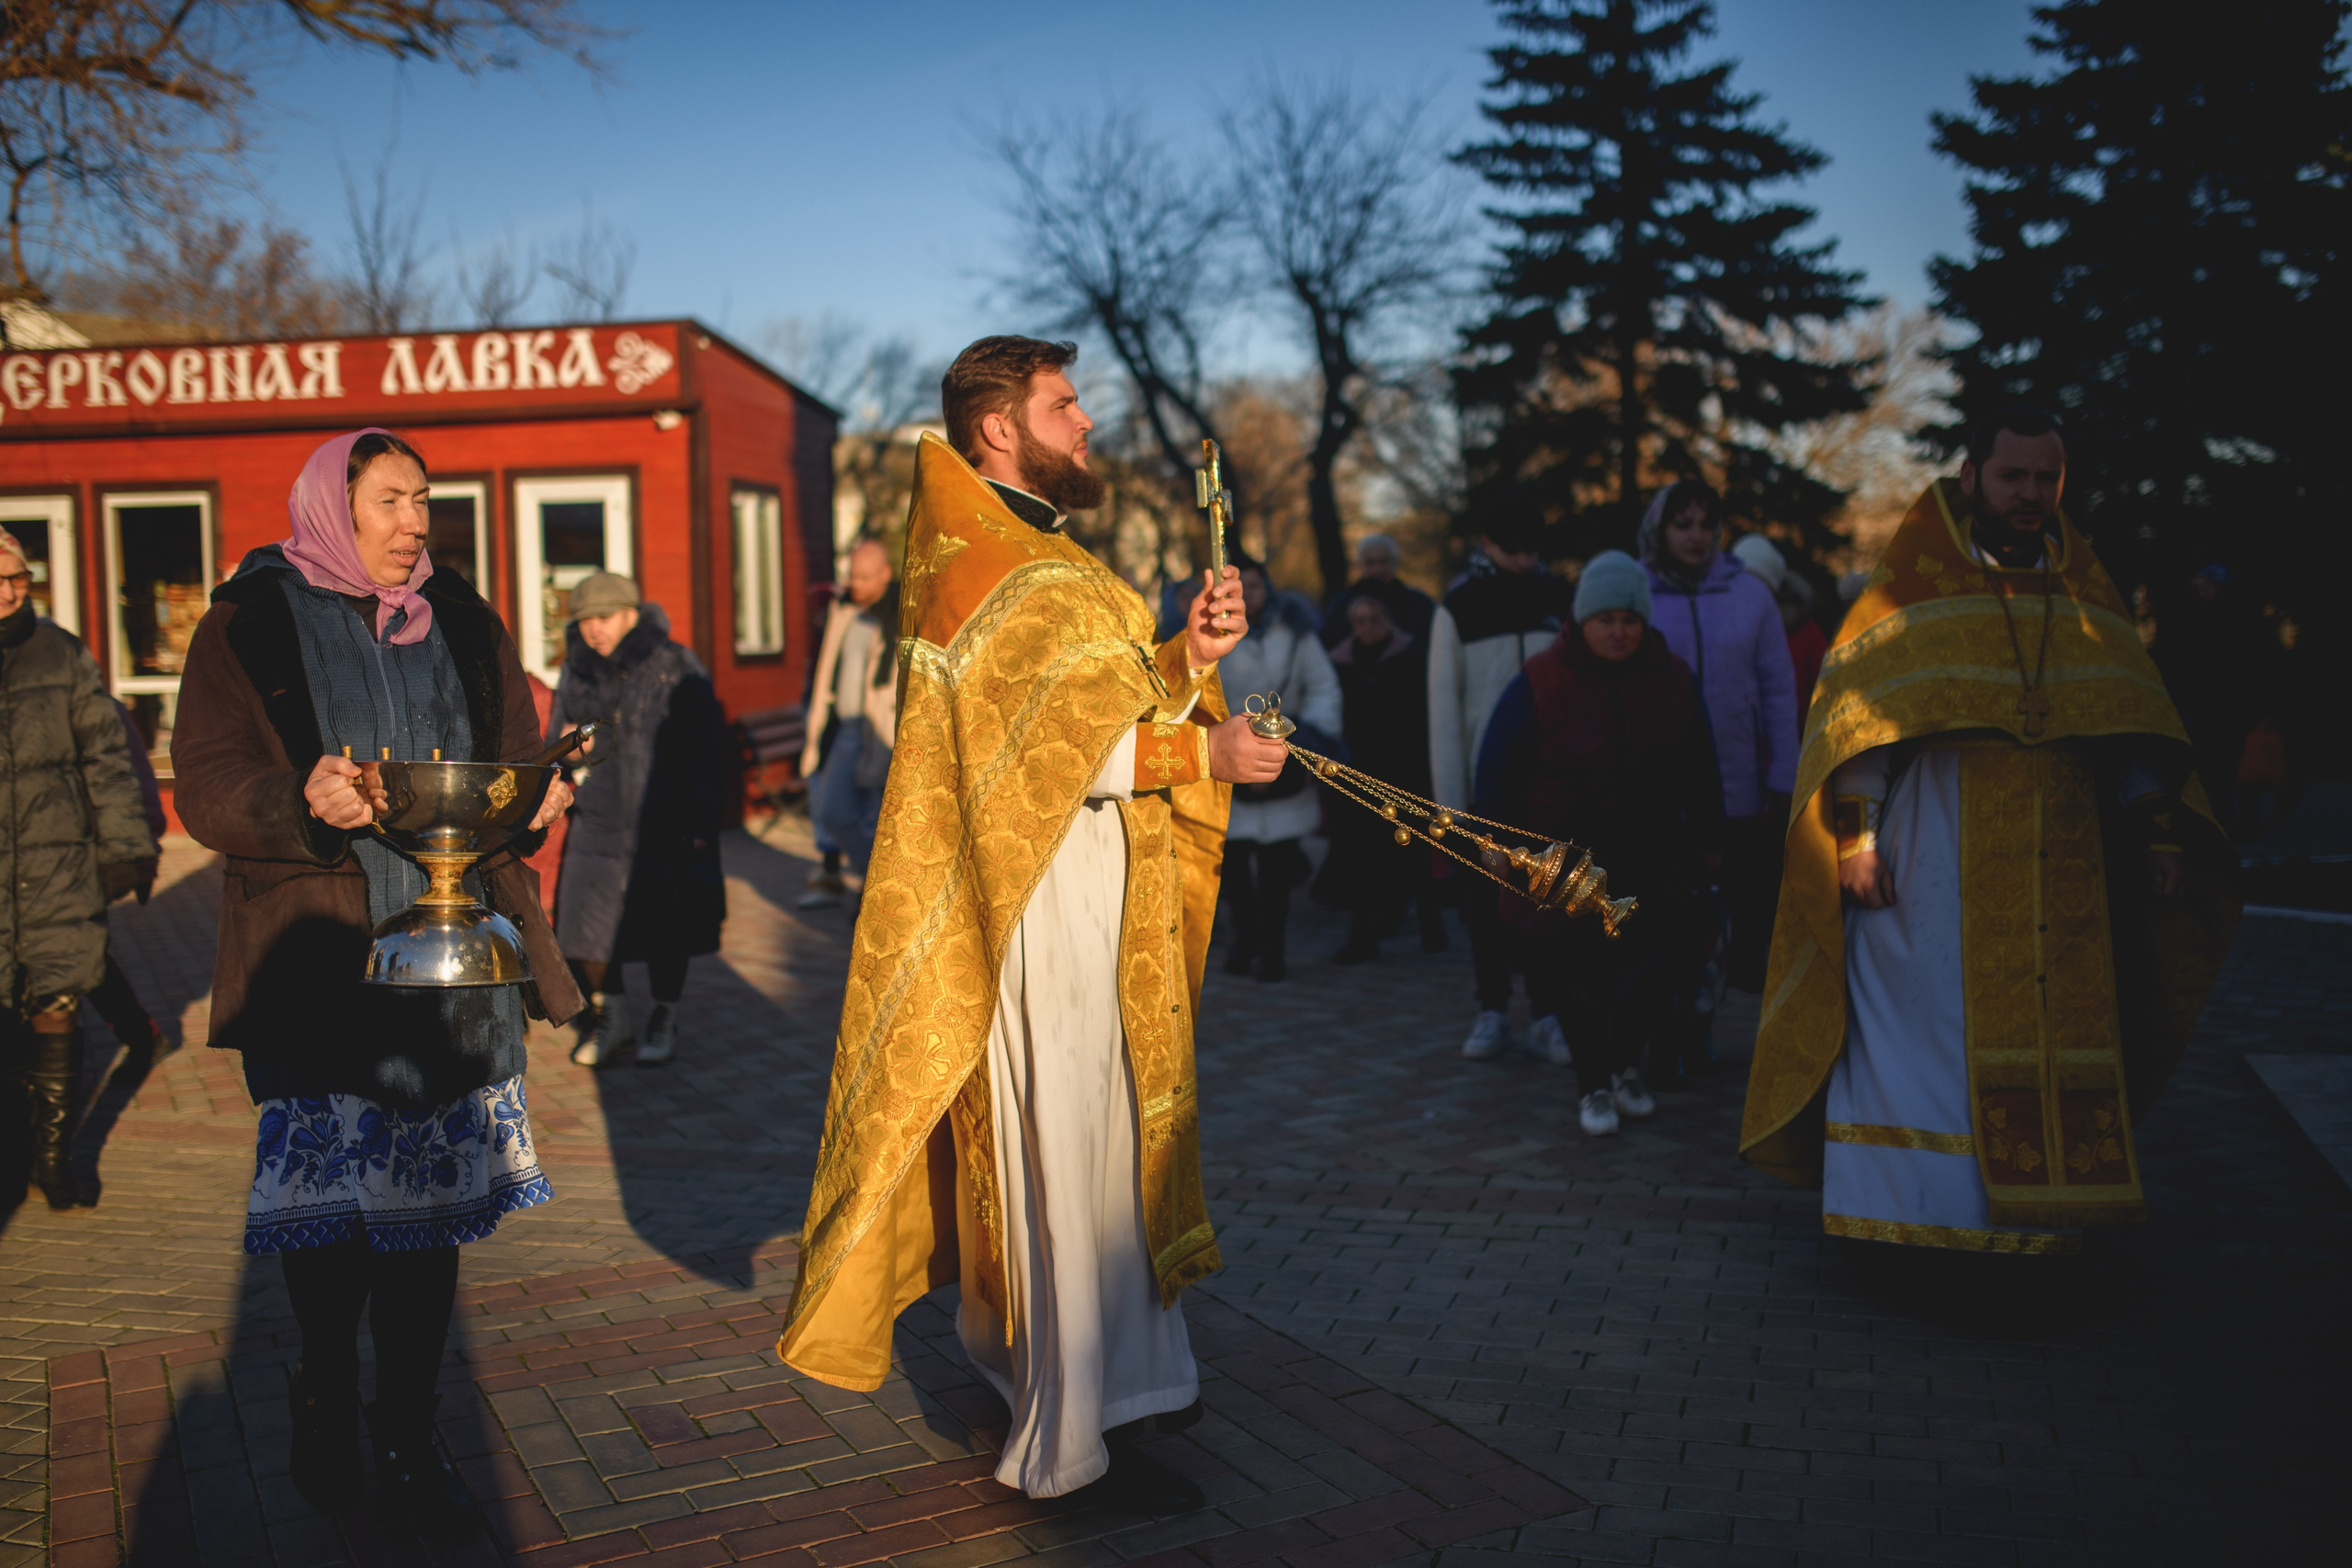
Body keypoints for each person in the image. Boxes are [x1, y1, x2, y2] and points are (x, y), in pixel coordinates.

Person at [779, 336, 1283, 1508]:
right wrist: (1200, 753)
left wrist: (1189, 655)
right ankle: (1064, 1445)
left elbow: (1095, 712)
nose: (1086, 421)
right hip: (1036, 911)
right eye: (1064, 404)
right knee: (1064, 1157)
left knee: (1110, 1154)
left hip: (1097, 898)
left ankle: (1131, 1388)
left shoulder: (1046, 551)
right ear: (998, 427)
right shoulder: (981, 566)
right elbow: (1025, 760)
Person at [173, 429, 577, 1540]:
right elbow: (205, 781)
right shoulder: (250, 621)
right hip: (319, 960)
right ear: (332, 505)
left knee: (429, 1221)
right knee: (333, 1224)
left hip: (452, 959)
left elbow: (512, 758)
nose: (415, 524)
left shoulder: (465, 618)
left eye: (424, 501)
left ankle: (405, 1429)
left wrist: (538, 796)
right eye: (393, 500)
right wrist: (295, 799)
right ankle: (322, 1387)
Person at [1740, 407, 2238, 1255]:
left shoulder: (2084, 589)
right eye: (2014, 476)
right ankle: (1919, 1218)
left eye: (2048, 478)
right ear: (1972, 477)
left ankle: (2043, 1220)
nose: (2031, 494)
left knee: (2058, 1036)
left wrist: (2159, 833)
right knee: (1921, 1033)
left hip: (2064, 862)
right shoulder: (1914, 584)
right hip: (1933, 851)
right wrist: (1856, 841)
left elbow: (2129, 723)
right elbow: (1861, 727)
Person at [1476, 552, 1723, 1134]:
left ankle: (1624, 1067)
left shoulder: (1673, 678)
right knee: (1579, 978)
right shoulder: (1541, 679)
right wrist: (1496, 841)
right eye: (1605, 619)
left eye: (1629, 620)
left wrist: (1709, 840)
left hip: (1653, 855)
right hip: (1566, 859)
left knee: (1652, 973)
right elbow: (1500, 767)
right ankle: (1593, 1085)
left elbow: (1700, 767)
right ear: (1582, 620)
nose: (1618, 632)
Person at [0, 531, 157, 1211]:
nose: (10, 591)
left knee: (57, 1001)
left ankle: (54, 1158)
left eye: (18, 578)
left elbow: (107, 757)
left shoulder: (61, 652)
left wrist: (124, 849)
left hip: (57, 856)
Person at [548, 572, 729, 1068]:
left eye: (604, 618)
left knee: (666, 925)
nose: (594, 630)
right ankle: (614, 1016)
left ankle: (664, 1015)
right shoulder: (578, 668)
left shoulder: (673, 662)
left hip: (664, 815)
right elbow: (560, 741)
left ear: (631, 613)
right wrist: (571, 747)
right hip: (598, 817)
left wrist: (699, 819)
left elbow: (706, 747)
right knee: (584, 925)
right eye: (584, 620)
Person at [1639, 482, 1800, 994]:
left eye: (1707, 525)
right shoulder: (1638, 593)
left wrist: (1785, 771)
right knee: (1669, 912)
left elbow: (1779, 690)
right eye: (1683, 524)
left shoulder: (1750, 595)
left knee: (1744, 903)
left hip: (1739, 781)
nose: (1697, 536)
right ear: (1660, 528)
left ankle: (1739, 1005)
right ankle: (1679, 1003)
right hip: (1661, 787)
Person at [1429, 518, 1576, 1061]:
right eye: (1511, 545)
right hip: (1482, 781)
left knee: (1549, 896)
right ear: (1488, 542)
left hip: (1550, 778)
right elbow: (1444, 706)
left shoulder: (1558, 597)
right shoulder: (1461, 605)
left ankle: (1547, 1010)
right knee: (1486, 902)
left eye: (1531, 546)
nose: (1522, 557)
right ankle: (1491, 1007)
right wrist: (1449, 805)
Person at [1215, 553, 1340, 983]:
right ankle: (1245, 938)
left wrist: (1310, 739)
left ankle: (1272, 948)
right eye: (1241, 588)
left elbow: (1323, 687)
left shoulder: (1297, 634)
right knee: (1233, 866)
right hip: (1228, 760)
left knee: (1276, 868)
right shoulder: (1212, 636)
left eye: (1255, 585)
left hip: (1285, 757)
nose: (1249, 594)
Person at [1322, 592, 1444, 963]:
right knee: (1360, 855)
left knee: (1415, 847)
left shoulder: (1413, 657)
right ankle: (1363, 935)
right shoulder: (1339, 662)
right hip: (1358, 770)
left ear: (1388, 620)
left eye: (1374, 619)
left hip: (1406, 767)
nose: (1367, 627)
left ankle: (1431, 925)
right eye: (1359, 620)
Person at [798, 540, 900, 908]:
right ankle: (873, 883)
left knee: (880, 823)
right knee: (832, 812)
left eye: (864, 577)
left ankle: (879, 898)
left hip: (881, 733)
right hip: (843, 730)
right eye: (852, 576)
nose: (855, 584)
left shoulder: (900, 614)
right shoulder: (843, 610)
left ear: (885, 574)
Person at [1730, 534, 1830, 724]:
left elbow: (1829, 694)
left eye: (1756, 583)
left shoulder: (1806, 634)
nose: (1747, 592)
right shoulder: (1721, 630)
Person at [1321, 533, 1434, 649]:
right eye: (1370, 563)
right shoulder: (1342, 605)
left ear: (1396, 562)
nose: (1378, 569)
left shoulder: (1419, 604)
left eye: (1384, 561)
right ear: (1360, 565)